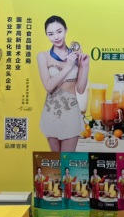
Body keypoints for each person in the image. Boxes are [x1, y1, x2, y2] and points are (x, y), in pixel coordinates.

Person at [38, 15, 90, 153]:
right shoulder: (43, 56)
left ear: (66, 30)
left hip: (70, 111)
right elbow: (48, 86)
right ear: (46, 35)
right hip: (51, 110)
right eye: (51, 34)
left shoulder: (75, 55)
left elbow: (80, 89)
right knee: (56, 161)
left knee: (67, 159)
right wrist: (68, 66)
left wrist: (85, 66)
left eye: (59, 31)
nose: (56, 37)